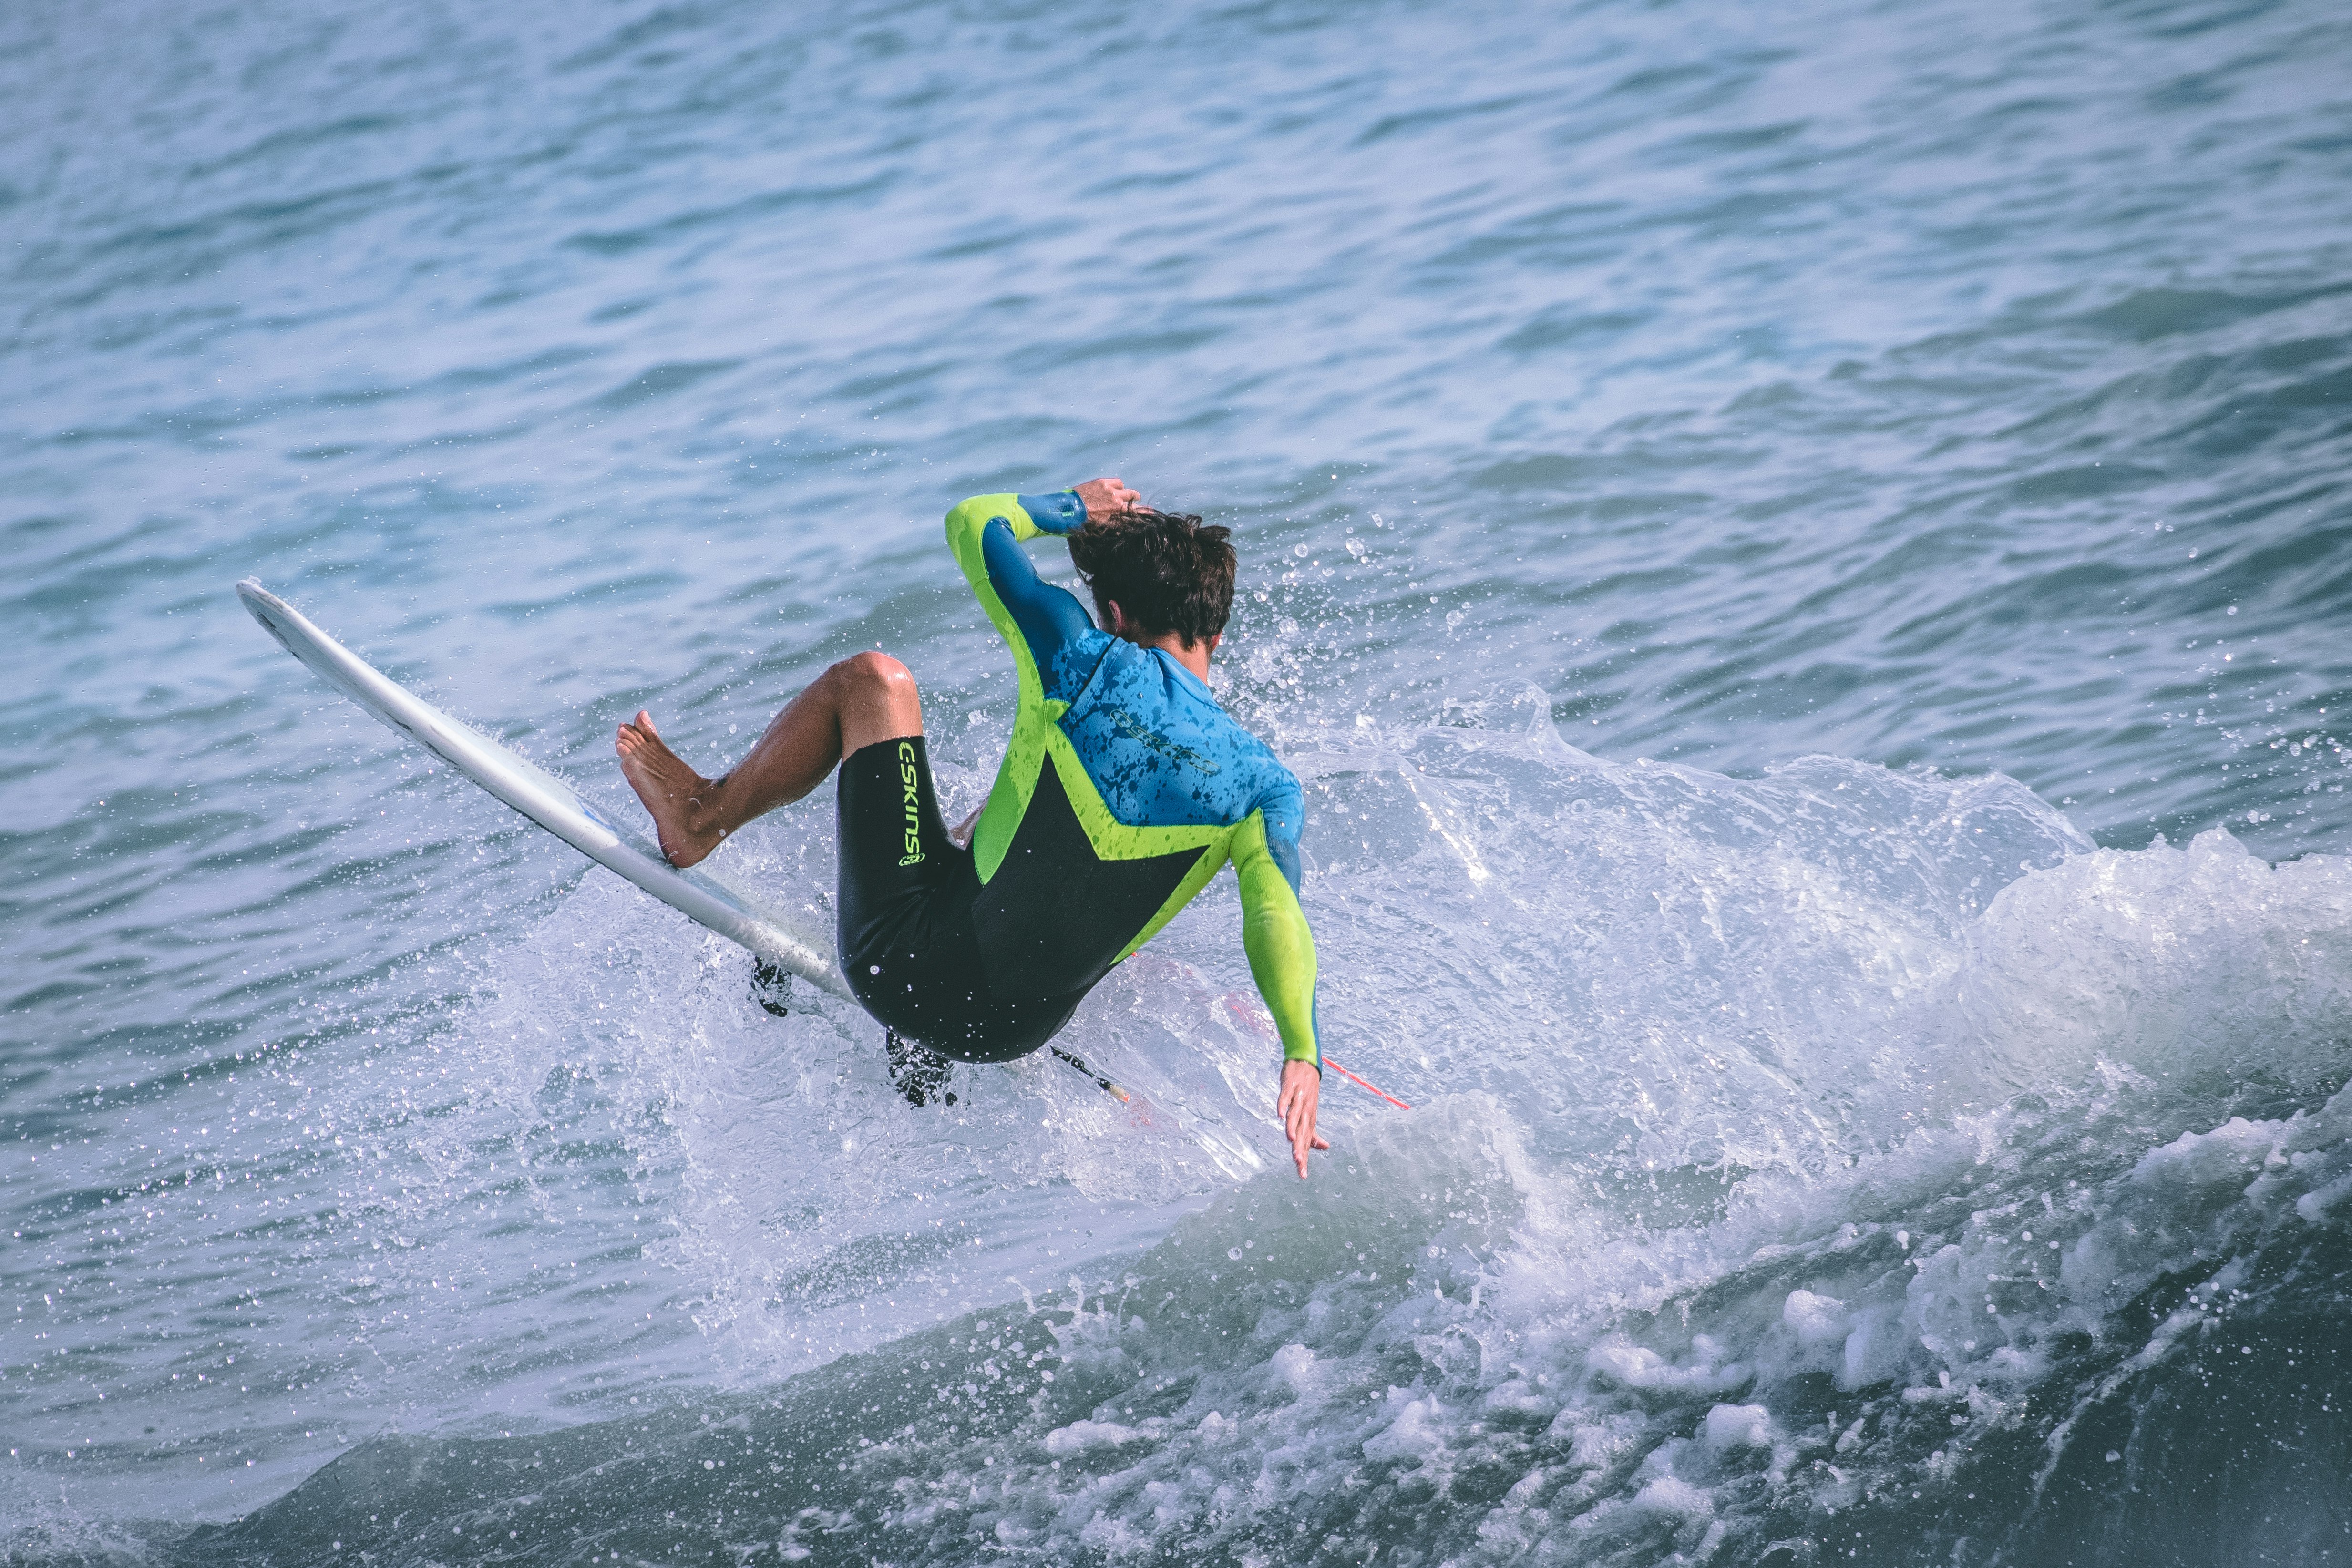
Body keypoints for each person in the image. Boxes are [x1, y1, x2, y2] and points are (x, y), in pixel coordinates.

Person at [613, 477, 1327, 1177]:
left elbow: (972, 521)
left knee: (872, 681)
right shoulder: (1264, 787)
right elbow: (1275, 913)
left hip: (902, 966)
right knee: (1018, 828)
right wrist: (1300, 1047)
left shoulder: (1079, 656)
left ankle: (699, 817)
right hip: (1015, 1032)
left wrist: (1075, 508)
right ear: (1217, 634)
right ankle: (931, 1035)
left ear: (1112, 614)